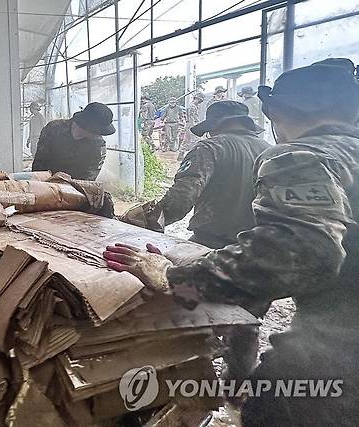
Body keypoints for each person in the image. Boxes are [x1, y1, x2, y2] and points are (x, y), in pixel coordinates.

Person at [105, 59, 359, 426]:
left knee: (195, 321)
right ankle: (236, 382)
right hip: (287, 288)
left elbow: (302, 250)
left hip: (333, 355)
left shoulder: (300, 154)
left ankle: (195, 389)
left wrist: (170, 272)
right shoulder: (313, 153)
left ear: (277, 111)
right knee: (246, 320)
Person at [122, 100, 269, 381]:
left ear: (214, 126)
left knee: (192, 312)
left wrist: (149, 221)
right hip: (258, 255)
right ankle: (238, 383)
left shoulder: (210, 148)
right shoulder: (271, 152)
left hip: (211, 248)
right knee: (247, 322)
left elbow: (181, 199)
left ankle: (189, 382)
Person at [32, 102, 115, 180]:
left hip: (73, 189)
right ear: (87, 127)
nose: (98, 135)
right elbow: (39, 161)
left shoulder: (98, 145)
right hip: (45, 183)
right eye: (97, 132)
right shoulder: (54, 128)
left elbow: (88, 178)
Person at [179, 92, 206, 159]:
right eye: (199, 100)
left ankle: (181, 154)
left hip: (190, 125)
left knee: (187, 140)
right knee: (196, 140)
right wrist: (195, 128)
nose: (200, 102)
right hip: (191, 125)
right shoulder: (192, 107)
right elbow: (191, 119)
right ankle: (193, 156)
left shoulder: (193, 106)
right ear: (196, 99)